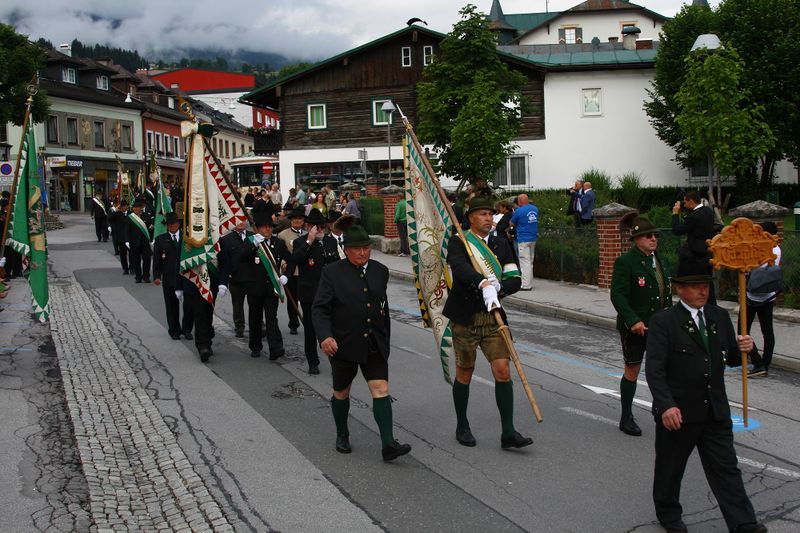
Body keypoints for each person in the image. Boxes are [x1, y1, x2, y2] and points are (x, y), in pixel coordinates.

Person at [645, 262, 766, 533]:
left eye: (706, 286)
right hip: (680, 411)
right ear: (679, 289)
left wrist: (747, 347)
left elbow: (732, 357)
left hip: (714, 410)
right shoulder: (664, 321)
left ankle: (743, 523)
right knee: (670, 468)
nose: (703, 291)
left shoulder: (718, 316)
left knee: (726, 469)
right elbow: (654, 369)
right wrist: (666, 405)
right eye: (696, 286)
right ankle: (668, 513)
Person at [313, 224, 412, 461]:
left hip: (374, 342)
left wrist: (385, 335)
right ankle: (342, 433)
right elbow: (320, 309)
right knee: (341, 391)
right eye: (357, 249)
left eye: (366, 248)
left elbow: (381, 305)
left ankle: (388, 444)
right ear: (346, 250)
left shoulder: (380, 270)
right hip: (343, 343)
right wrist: (325, 336)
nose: (362, 253)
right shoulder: (332, 272)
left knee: (381, 389)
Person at [443, 197, 531, 450]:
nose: (488, 218)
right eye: (482, 214)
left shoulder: (501, 243)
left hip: (493, 314)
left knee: (503, 371)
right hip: (466, 315)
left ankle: (508, 432)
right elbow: (459, 269)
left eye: (490, 214)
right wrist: (482, 283)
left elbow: (515, 276)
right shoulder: (459, 241)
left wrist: (500, 287)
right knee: (465, 371)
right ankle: (462, 425)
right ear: (471, 217)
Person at [610, 217, 670, 437]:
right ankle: (626, 416)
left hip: (661, 326)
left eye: (656, 235)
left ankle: (661, 406)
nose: (654, 239)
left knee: (663, 369)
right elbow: (618, 294)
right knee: (633, 369)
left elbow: (666, 293)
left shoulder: (661, 260)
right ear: (636, 239)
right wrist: (633, 320)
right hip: (637, 327)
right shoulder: (626, 262)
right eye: (648, 236)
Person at [292, 208, 340, 374]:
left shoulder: (330, 241)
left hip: (329, 293)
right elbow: (295, 260)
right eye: (315, 227)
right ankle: (313, 361)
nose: (319, 230)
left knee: (333, 327)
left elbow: (336, 265)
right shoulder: (300, 242)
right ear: (308, 227)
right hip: (310, 293)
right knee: (311, 330)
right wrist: (309, 241)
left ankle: (335, 358)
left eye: (321, 227)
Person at [239, 209, 289, 359]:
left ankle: (275, 347)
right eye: (264, 226)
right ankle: (255, 346)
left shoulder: (278, 243)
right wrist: (253, 245)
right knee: (255, 318)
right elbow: (240, 258)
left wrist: (286, 275)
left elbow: (290, 259)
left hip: (271, 287)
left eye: (270, 226)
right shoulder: (250, 242)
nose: (268, 229)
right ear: (258, 228)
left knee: (271, 318)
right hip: (254, 287)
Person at [745, 221, 781, 377]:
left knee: (743, 331)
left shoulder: (759, 248)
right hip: (768, 295)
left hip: (753, 296)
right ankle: (765, 363)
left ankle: (758, 362)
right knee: (767, 331)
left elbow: (750, 266)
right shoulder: (776, 249)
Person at [152, 212, 193, 340]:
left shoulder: (187, 238)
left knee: (189, 306)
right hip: (169, 277)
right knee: (171, 306)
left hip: (186, 276)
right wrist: (157, 276)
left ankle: (187, 329)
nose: (172, 226)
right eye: (169, 225)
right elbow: (157, 261)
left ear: (179, 224)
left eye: (174, 224)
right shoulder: (160, 240)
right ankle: (174, 330)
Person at [672, 190, 715, 304]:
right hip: (707, 253)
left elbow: (677, 230)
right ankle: (711, 308)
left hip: (695, 256)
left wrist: (675, 214)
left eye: (685, 202)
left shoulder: (694, 216)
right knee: (708, 284)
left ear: (691, 201)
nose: (684, 205)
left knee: (695, 284)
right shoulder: (708, 211)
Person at [218, 219, 253, 338]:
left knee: (255, 304)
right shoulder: (226, 240)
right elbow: (224, 260)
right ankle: (239, 327)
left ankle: (258, 325)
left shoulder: (253, 236)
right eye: (238, 220)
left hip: (252, 277)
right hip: (236, 277)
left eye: (243, 219)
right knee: (237, 304)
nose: (241, 222)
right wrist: (226, 277)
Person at [277, 206, 307, 334]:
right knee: (292, 299)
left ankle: (308, 322)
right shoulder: (283, 235)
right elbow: (279, 252)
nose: (297, 221)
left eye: (300, 219)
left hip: (305, 272)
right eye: (295, 218)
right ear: (291, 220)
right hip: (291, 272)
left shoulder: (307, 234)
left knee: (307, 299)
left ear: (303, 221)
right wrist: (283, 263)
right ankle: (293, 323)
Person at [509, 193, 538, 291]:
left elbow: (511, 223)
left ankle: (526, 285)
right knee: (530, 261)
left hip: (523, 239)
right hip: (533, 238)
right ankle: (530, 282)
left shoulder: (518, 211)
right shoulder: (535, 209)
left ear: (520, 201)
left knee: (524, 262)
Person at [125, 199, 153, 283]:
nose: (136, 209)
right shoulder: (130, 217)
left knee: (147, 259)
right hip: (134, 242)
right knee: (136, 260)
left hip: (145, 242)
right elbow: (127, 230)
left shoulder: (146, 216)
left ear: (141, 208)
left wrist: (151, 239)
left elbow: (150, 228)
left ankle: (146, 276)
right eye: (135, 208)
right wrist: (127, 241)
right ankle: (138, 276)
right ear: (133, 208)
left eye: (138, 207)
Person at [108, 200, 130, 273]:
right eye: (122, 206)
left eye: (125, 206)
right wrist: (115, 211)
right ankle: (125, 269)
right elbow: (109, 219)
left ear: (127, 207)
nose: (124, 208)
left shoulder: (130, 214)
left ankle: (132, 267)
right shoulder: (117, 214)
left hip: (130, 238)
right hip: (121, 237)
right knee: (123, 255)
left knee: (132, 254)